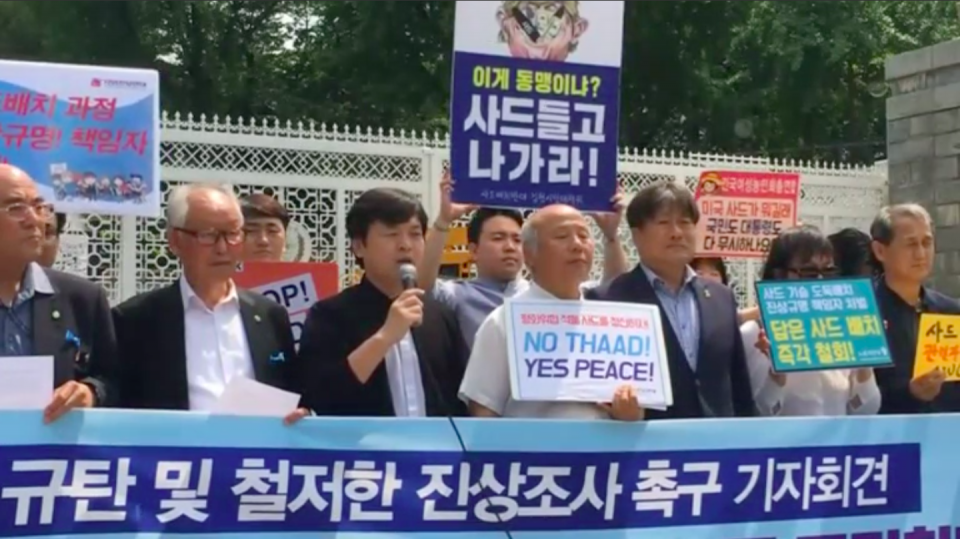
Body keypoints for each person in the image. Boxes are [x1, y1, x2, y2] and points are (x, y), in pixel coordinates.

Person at [112, 184, 306, 423]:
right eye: (208, 235)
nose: (223, 248)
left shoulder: (269, 315)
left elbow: (292, 390)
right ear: (175, 240)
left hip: (254, 455)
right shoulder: (136, 319)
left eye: (233, 234)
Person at [586, 181, 756, 418]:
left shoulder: (721, 297)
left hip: (718, 446)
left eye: (685, 223)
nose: (676, 232)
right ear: (637, 235)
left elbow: (739, 387)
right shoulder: (610, 300)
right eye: (664, 223)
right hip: (647, 445)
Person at [460, 204, 643, 420]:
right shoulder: (504, 322)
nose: (577, 245)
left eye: (584, 236)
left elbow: (635, 409)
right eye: (562, 236)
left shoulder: (612, 324)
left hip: (606, 452)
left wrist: (629, 412)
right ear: (530, 254)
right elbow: (484, 410)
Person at [298, 187, 468, 417]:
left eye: (415, 234)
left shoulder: (440, 315)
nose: (405, 244)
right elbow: (320, 398)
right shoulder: (330, 315)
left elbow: (459, 398)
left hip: (434, 449)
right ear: (359, 246)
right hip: (364, 451)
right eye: (391, 234)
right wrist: (385, 336)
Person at [420, 172, 628, 348]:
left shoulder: (551, 292)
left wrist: (611, 235)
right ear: (473, 250)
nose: (510, 247)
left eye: (517, 239)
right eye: (498, 238)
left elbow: (615, 288)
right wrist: (444, 221)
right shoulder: (457, 295)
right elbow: (421, 288)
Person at [0, 165, 117, 423]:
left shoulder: (83, 299)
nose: (35, 220)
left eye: (39, 206)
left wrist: (90, 392)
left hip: (46, 459)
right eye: (16, 208)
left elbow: (114, 380)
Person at [744, 225, 880, 416]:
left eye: (828, 272)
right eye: (809, 272)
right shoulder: (754, 334)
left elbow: (865, 410)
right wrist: (777, 375)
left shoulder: (840, 328)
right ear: (779, 275)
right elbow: (759, 415)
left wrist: (865, 359)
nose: (820, 280)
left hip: (837, 446)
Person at [870, 204, 960, 414]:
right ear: (880, 250)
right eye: (910, 244)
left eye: (927, 243)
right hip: (888, 442)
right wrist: (910, 394)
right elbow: (851, 398)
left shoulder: (951, 312)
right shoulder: (864, 312)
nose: (921, 253)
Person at [240, 193, 289, 261]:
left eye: (272, 231)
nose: (263, 240)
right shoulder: (222, 271)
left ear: (285, 241)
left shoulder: (305, 271)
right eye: (251, 231)